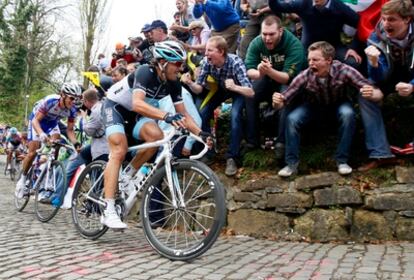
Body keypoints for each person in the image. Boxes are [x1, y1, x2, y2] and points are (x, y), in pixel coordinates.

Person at [101, 41, 210, 229]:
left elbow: (184, 115)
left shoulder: (174, 83)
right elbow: (136, 103)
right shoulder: (145, 71)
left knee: (157, 137)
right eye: (177, 63)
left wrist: (202, 134)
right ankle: (108, 209)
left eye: (181, 64)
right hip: (116, 108)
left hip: (137, 116)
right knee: (119, 150)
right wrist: (166, 116)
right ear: (162, 62)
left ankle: (127, 175)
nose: (180, 68)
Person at [272, 41, 384, 177]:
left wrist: (372, 93)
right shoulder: (305, 75)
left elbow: (373, 90)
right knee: (292, 118)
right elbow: (284, 100)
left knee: (348, 114)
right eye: (309, 60)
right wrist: (277, 101)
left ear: (329, 60)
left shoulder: (344, 70)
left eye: (315, 60)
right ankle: (291, 164)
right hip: (313, 106)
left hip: (339, 104)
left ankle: (342, 161)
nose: (311, 63)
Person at [182, 36, 254, 176]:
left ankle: (232, 157)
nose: (206, 53)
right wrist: (190, 83)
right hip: (221, 89)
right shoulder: (207, 63)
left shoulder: (235, 62)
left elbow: (250, 91)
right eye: (206, 50)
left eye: (210, 50)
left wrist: (234, 87)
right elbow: (200, 88)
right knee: (203, 113)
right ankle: (208, 152)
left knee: (235, 116)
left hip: (238, 90)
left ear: (221, 51)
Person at [357, 0, 414, 170]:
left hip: (411, 77)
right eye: (384, 19)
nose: (386, 24)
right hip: (389, 79)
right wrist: (374, 63)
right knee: (365, 95)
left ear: (407, 20)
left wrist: (412, 86)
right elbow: (378, 78)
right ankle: (381, 154)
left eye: (391, 20)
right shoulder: (376, 38)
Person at [244, 15, 306, 156]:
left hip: (290, 81)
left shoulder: (293, 44)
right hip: (267, 78)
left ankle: (281, 142)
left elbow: (287, 78)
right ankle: (252, 140)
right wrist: (259, 72)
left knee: (283, 97)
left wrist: (269, 71)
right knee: (250, 94)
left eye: (271, 34)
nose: (267, 38)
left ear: (281, 31)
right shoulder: (257, 42)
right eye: (264, 34)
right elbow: (249, 70)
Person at [15, 82, 82, 198]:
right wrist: (41, 134)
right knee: (33, 152)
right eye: (71, 98)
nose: (74, 101)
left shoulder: (72, 110)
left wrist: (76, 143)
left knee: (56, 140)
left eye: (76, 99)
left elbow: (70, 130)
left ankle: (49, 169)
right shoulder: (51, 101)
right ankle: (23, 178)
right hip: (37, 121)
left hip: (52, 123)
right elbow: (36, 121)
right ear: (63, 95)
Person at [49, 89, 109, 206]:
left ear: (86, 101)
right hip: (97, 147)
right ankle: (91, 203)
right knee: (93, 173)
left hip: (101, 147)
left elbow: (88, 131)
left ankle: (58, 198)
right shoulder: (102, 106)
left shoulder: (96, 110)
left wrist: (84, 118)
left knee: (72, 168)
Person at [268, 0, 363, 69]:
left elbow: (361, 25)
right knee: (292, 66)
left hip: (333, 47)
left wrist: (353, 48)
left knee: (353, 62)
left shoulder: (339, 7)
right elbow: (277, 7)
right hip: (307, 47)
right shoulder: (303, 3)